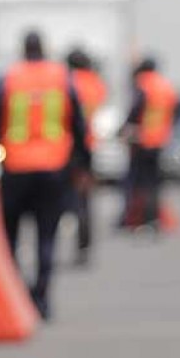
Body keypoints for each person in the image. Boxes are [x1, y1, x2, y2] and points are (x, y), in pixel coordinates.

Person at [0, 30, 90, 320]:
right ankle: (41, 300)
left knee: (11, 239)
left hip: (15, 168)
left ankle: (14, 297)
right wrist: (82, 163)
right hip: (54, 168)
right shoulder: (60, 77)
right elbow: (79, 125)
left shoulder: (11, 78)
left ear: (22, 50)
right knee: (46, 238)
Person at [119, 57, 178, 231]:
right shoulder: (166, 86)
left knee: (138, 182)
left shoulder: (143, 85)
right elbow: (176, 110)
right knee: (154, 183)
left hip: (143, 140)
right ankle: (153, 219)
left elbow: (135, 110)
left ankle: (138, 219)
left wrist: (123, 128)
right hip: (160, 141)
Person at [66, 48, 107, 265]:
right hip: (89, 146)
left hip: (67, 147)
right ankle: (84, 244)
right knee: (84, 199)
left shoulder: (67, 82)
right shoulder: (96, 83)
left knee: (65, 199)